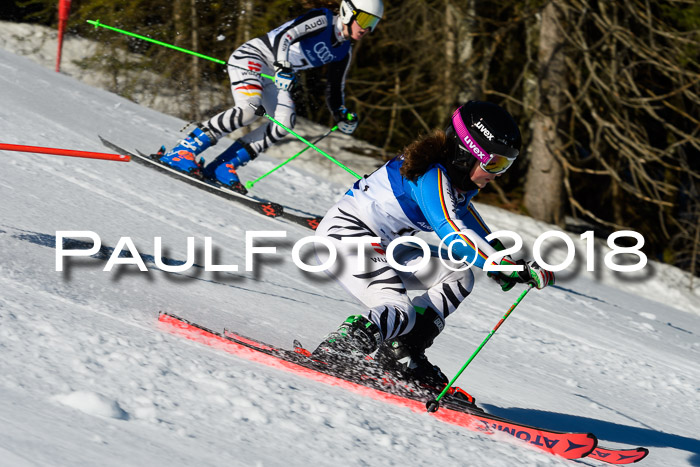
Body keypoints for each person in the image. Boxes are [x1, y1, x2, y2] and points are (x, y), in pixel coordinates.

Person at [311, 101, 555, 388]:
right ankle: (342, 345)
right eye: (495, 163)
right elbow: (453, 233)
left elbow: (471, 225)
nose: (499, 174)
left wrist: (503, 261)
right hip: (346, 236)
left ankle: (402, 353)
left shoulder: (454, 182)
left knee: (458, 275)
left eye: (507, 165)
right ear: (468, 154)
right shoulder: (430, 176)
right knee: (399, 309)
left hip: (383, 247)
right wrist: (499, 263)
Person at [156, 0, 384, 195]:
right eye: (364, 20)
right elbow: (286, 36)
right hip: (255, 57)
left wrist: (341, 114)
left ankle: (223, 167)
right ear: (348, 11)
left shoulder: (343, 51)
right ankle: (182, 151)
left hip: (277, 75)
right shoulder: (322, 19)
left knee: (284, 123)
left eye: (372, 24)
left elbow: (335, 88)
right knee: (249, 108)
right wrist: (283, 65)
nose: (367, 28)